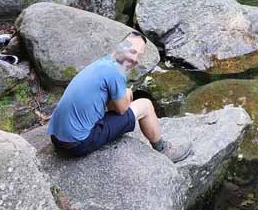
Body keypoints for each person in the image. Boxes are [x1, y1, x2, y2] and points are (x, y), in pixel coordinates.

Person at [47, 31, 192, 162]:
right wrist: (128, 94)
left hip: (56, 139)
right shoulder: (116, 71)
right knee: (146, 105)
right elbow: (122, 110)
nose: (135, 59)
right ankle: (163, 150)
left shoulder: (102, 63)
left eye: (139, 55)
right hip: (76, 145)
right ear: (121, 47)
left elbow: (111, 106)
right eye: (132, 51)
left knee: (122, 99)